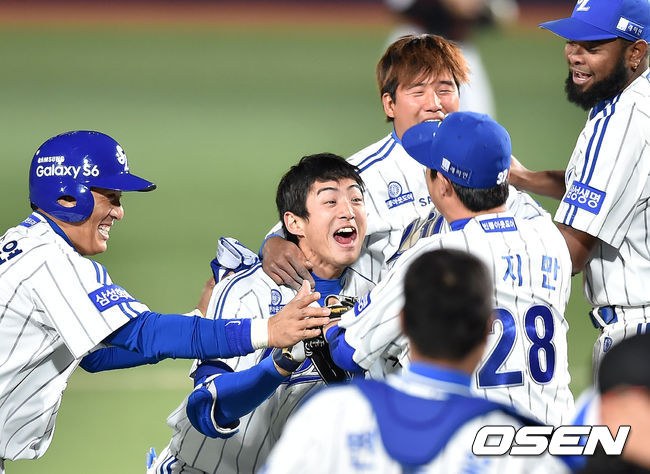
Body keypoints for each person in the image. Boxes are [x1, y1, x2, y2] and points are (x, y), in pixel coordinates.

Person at [0, 131, 329, 472]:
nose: (119, 212)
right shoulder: (50, 262)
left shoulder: (25, 246)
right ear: (69, 197)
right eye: (111, 198)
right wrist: (267, 331)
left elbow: (96, 357)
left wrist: (199, 314)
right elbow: (146, 334)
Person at [326, 112, 574, 425]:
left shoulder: (436, 258)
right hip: (556, 437)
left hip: (473, 442)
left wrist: (334, 321)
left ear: (443, 184)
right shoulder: (548, 238)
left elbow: (348, 351)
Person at [147, 153, 375, 474]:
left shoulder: (376, 285)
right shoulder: (248, 290)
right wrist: (278, 365)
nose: (348, 211)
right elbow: (204, 409)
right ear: (294, 223)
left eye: (356, 199)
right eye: (330, 201)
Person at [261, 34, 544, 288]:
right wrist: (273, 244)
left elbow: (539, 233)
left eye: (445, 90)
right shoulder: (359, 177)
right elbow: (292, 235)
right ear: (390, 104)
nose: (434, 104)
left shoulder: (482, 160)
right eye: (418, 92)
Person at [262, 249, 569, 474]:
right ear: (486, 332)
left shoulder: (331, 413)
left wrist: (332, 331)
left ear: (403, 323)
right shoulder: (516, 445)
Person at [508, 0, 650, 372]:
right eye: (572, 41)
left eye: (592, 47)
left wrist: (489, 247)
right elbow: (602, 185)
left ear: (635, 53)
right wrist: (524, 178)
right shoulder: (634, 99)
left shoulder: (623, 121)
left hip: (638, 334)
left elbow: (569, 252)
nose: (574, 55)